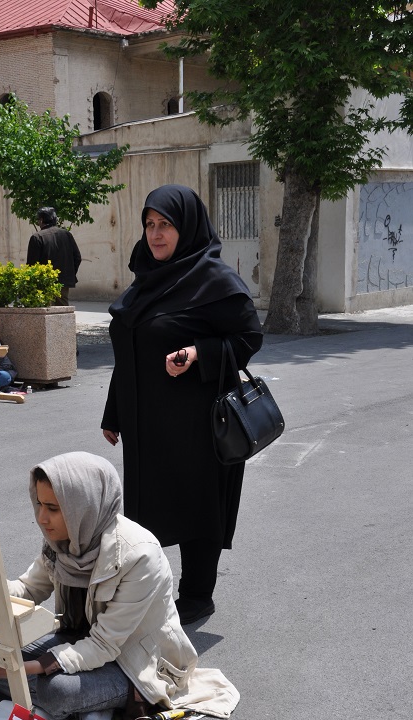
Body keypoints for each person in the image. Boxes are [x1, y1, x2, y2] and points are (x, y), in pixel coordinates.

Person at [0, 452, 240, 720]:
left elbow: (104, 645)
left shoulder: (140, 555)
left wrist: (26, 668)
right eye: (39, 504)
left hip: (133, 663)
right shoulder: (62, 539)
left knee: (56, 690)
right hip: (80, 642)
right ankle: (89, 703)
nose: (41, 518)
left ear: (82, 506)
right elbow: (28, 590)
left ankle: (94, 700)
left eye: (53, 508)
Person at [101, 184, 263, 625]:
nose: (155, 234)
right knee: (147, 505)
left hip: (197, 421)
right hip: (146, 422)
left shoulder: (215, 280)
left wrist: (197, 353)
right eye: (150, 224)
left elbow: (248, 337)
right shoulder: (146, 279)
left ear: (187, 227)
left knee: (196, 501)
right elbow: (129, 350)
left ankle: (196, 594)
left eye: (166, 225)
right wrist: (114, 412)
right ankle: (147, 588)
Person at [26, 206, 82, 306]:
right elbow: (77, 257)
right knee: (63, 311)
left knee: (46, 310)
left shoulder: (37, 237)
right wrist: (68, 274)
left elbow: (32, 265)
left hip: (44, 283)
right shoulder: (67, 234)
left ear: (41, 220)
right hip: (63, 282)